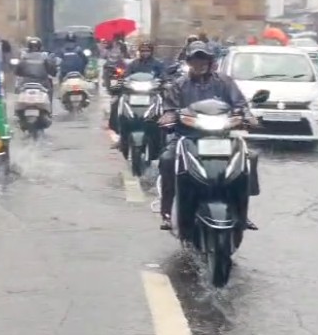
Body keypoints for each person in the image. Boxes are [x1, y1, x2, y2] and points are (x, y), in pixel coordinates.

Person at [158, 41, 259, 231]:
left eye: (203, 58)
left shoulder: (224, 82)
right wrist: (168, 118)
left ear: (210, 60)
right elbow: (170, 109)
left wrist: (248, 116)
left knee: (250, 157)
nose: (200, 63)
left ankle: (242, 211)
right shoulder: (179, 85)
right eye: (196, 59)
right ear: (189, 62)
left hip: (222, 136)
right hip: (188, 136)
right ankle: (166, 213)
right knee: (167, 160)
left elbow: (240, 105)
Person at [109, 41, 166, 133]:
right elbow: (126, 75)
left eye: (147, 51)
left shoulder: (158, 64)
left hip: (152, 92)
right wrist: (121, 83)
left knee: (166, 102)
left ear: (151, 52)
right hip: (133, 91)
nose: (145, 53)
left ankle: (165, 130)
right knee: (117, 101)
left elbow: (164, 76)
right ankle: (117, 127)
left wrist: (162, 82)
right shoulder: (133, 64)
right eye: (143, 51)